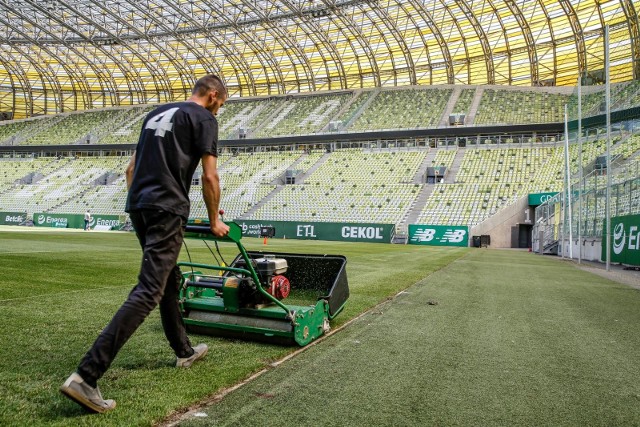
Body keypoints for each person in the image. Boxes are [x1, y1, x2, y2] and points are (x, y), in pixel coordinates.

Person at [60, 74, 230, 413]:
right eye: (221, 105)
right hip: (167, 206)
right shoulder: (203, 118)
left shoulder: (156, 113)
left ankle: (184, 351)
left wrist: (141, 201)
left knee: (168, 279)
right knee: (149, 289)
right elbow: (210, 175)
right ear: (212, 96)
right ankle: (86, 376)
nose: (219, 111)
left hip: (139, 203)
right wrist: (215, 220)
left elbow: (130, 168)